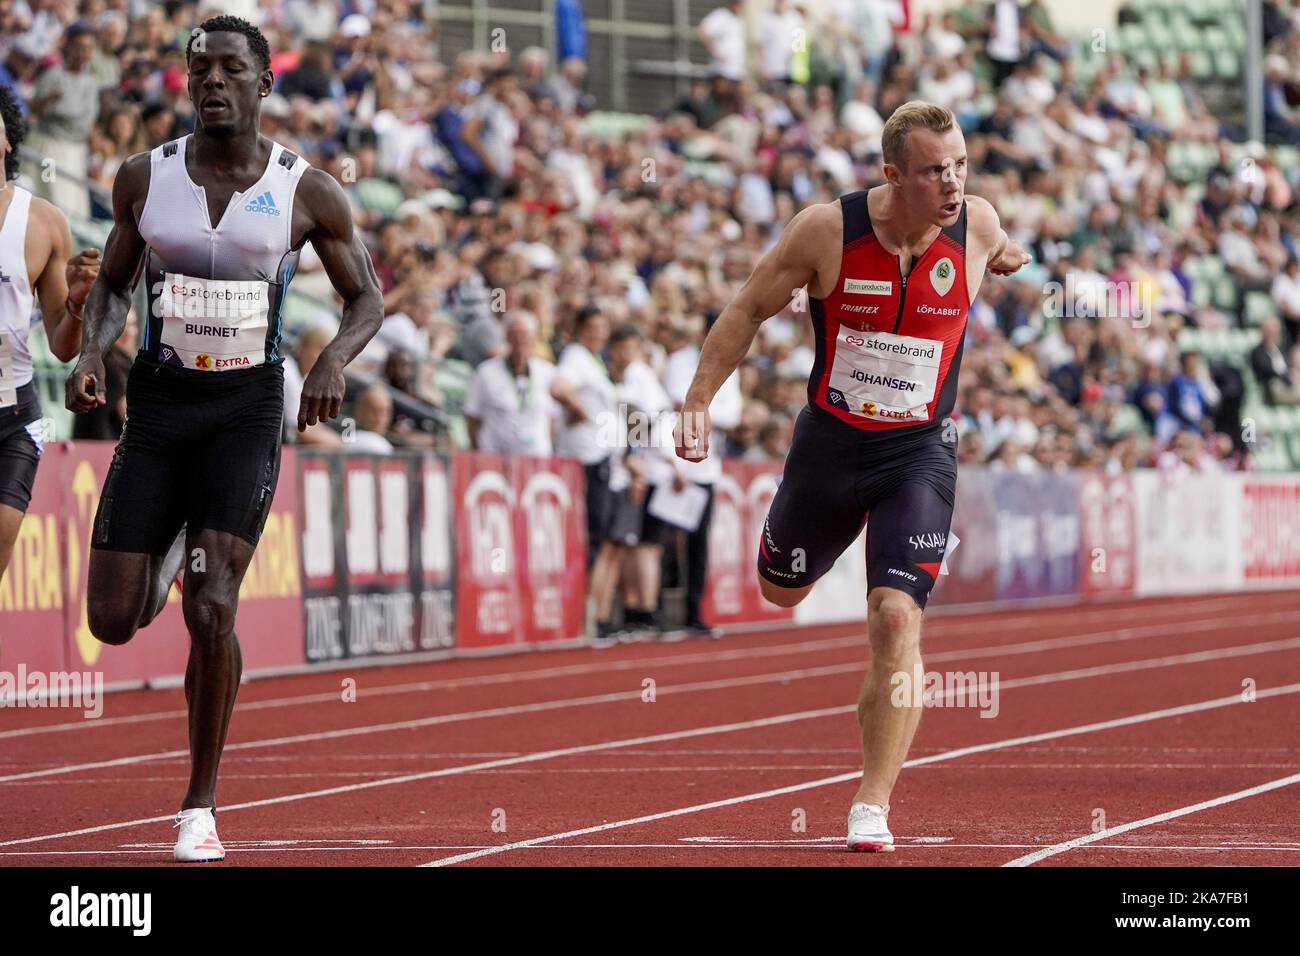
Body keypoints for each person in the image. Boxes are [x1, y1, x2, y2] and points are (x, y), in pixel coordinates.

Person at [63, 16, 383, 864]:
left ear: (263, 83)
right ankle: (169, 544)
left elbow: (367, 300)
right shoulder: (145, 177)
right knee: (112, 620)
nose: (211, 81)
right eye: (198, 67)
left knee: (213, 608)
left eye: (229, 69)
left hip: (246, 409)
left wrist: (331, 362)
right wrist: (94, 348)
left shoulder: (305, 188)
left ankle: (198, 805)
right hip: (162, 405)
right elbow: (115, 284)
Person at [674, 101, 1029, 852]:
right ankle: (822, 560)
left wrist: (1003, 252)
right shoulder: (826, 232)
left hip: (920, 451)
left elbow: (999, 240)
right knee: (780, 590)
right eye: (936, 171)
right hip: (831, 448)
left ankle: (872, 802)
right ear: (894, 174)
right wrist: (701, 398)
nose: (954, 182)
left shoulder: (978, 223)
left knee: (895, 618)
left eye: (961, 165)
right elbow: (747, 310)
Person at [0, 83, 100, 581]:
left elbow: (63, 346)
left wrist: (79, 301)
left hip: (12, 416)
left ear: (7, 137)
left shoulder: (43, 222)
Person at [464, 311, 558, 455]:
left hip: (536, 461)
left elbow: (552, 419)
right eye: (514, 335)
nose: (520, 340)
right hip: (496, 460)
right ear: (506, 337)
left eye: (525, 335)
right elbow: (472, 418)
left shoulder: (547, 372)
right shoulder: (486, 372)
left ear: (535, 338)